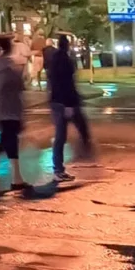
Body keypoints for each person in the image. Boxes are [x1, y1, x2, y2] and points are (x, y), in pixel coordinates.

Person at [48, 34, 92, 182]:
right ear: (67, 45)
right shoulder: (64, 60)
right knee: (62, 135)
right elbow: (65, 83)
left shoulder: (55, 59)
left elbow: (56, 82)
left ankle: (60, 167)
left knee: (66, 133)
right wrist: (69, 104)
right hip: (65, 102)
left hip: (58, 101)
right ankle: (59, 169)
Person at [0, 35, 31, 192]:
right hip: (10, 108)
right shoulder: (9, 66)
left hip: (0, 108)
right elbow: (19, 86)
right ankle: (16, 178)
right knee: (11, 140)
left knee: (7, 139)